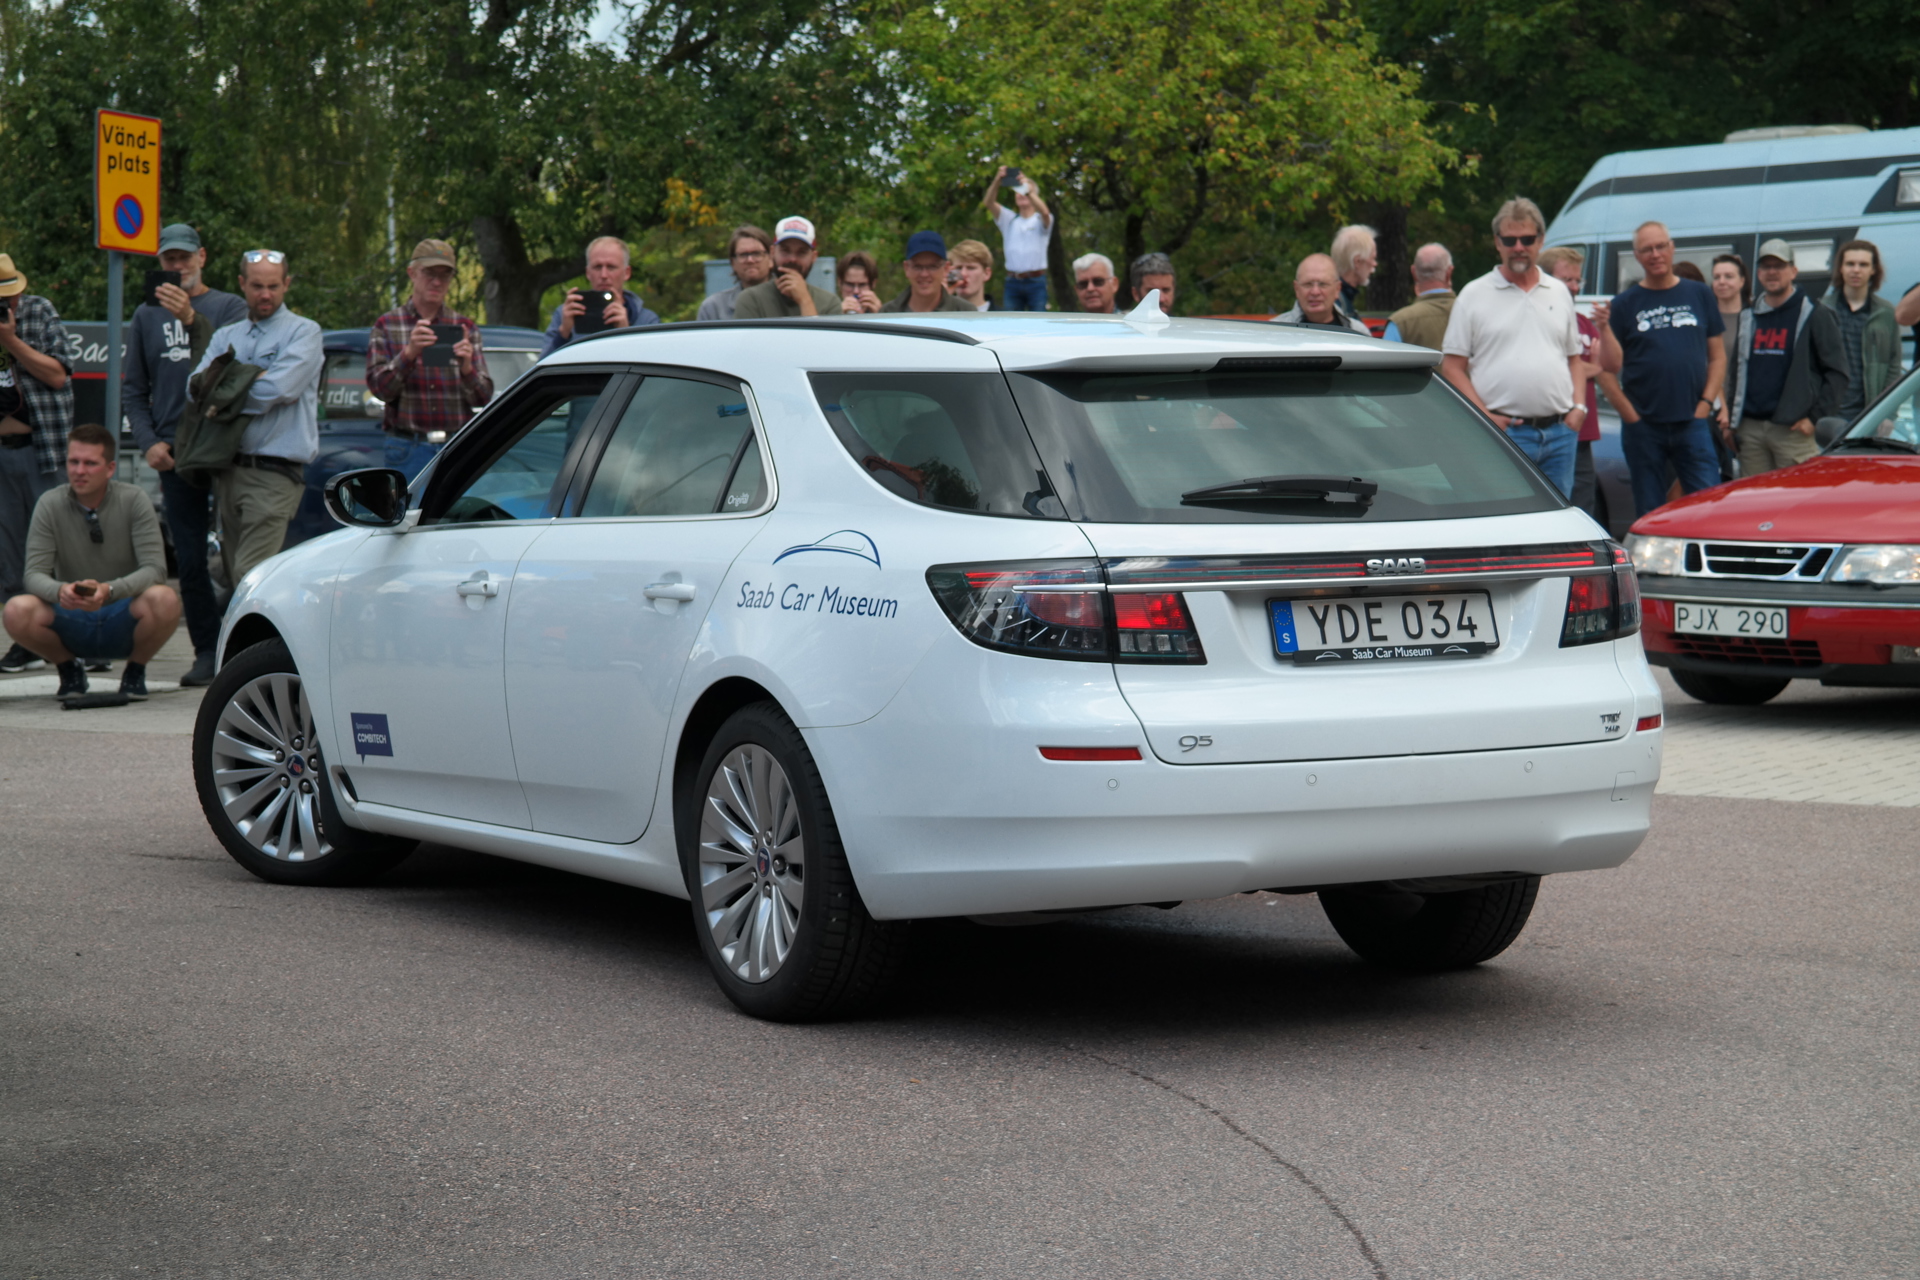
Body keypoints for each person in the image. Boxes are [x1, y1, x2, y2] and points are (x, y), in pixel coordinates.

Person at [120, 223, 247, 687]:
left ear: (202, 258)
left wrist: (191, 317)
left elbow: (233, 368)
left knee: (235, 555)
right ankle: (206, 650)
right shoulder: (145, 315)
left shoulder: (229, 307)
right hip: (174, 451)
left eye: (184, 258)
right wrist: (149, 441)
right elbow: (134, 389)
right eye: (169, 259)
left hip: (224, 445)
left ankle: (242, 645)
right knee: (190, 559)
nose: (177, 267)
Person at [3, 423, 179, 700]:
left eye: (90, 463)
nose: (79, 471)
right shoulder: (49, 503)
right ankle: (68, 669)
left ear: (110, 468)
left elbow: (155, 569)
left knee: (165, 598)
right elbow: (34, 574)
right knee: (16, 609)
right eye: (73, 462)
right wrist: (61, 591)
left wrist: (109, 590)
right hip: (70, 612)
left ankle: (135, 670)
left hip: (122, 612)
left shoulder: (134, 499)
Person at [191, 249, 325, 587]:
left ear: (286, 284)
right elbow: (195, 389)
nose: (265, 294)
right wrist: (253, 377)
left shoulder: (304, 332)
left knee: (252, 577)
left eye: (273, 286)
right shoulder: (226, 336)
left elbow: (279, 389)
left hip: (274, 474)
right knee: (234, 577)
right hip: (228, 470)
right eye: (257, 286)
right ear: (242, 284)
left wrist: (227, 386)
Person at [1438, 197, 1588, 498]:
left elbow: (1574, 359)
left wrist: (1579, 408)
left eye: (1527, 239)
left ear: (1541, 241)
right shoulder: (1473, 294)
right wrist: (1484, 418)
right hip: (1504, 435)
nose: (1519, 246)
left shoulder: (1558, 291)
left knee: (1558, 523)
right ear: (1497, 242)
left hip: (1561, 434)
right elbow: (1452, 366)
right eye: (1510, 240)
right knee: (1504, 517)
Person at [1601, 221, 1726, 515]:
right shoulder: (1623, 304)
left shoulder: (1699, 294)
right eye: (1647, 249)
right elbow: (1604, 370)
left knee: (1709, 506)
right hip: (1644, 428)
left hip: (1692, 422)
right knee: (1650, 512)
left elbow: (1718, 357)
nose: (1655, 254)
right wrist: (1630, 416)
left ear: (1672, 248)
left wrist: (1706, 404)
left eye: (1660, 246)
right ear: (1637, 256)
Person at [0, 252, 76, 675]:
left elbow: (59, 374)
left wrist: (11, 341)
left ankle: (77, 637)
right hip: (2, 455)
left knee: (56, 546)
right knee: (9, 553)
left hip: (42, 450)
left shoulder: (40, 311)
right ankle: (26, 639)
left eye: (9, 296)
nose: (6, 304)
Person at [365, 239, 493, 483]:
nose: (437, 282)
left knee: (459, 509)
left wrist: (467, 369)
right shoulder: (387, 325)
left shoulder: (464, 327)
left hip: (457, 445)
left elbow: (483, 399)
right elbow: (380, 390)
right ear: (412, 273)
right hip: (407, 446)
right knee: (407, 508)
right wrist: (409, 354)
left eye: (445, 275)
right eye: (429, 273)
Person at [1723, 238, 1847, 477]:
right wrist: (1731, 420)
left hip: (1793, 431)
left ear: (1793, 271)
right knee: (1755, 497)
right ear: (1758, 273)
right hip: (1750, 430)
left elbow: (1838, 373)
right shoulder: (1748, 316)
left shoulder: (1815, 314)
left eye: (1779, 266)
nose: (1772, 272)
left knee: (1798, 497)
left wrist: (1814, 419)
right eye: (1766, 266)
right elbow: (1736, 371)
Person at [1539, 246, 1611, 513]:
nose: (1574, 287)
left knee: (1582, 507)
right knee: (1550, 506)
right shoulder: (1538, 319)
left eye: (1577, 280)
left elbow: (1610, 365)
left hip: (1582, 430)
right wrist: (1590, 366)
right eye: (1566, 279)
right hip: (1549, 428)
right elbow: (1556, 368)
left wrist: (1605, 328)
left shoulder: (1583, 322)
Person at [1821, 239, 1903, 419]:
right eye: (1850, 264)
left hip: (1868, 416)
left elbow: (1894, 366)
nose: (1856, 270)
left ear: (1873, 270)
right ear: (1840, 268)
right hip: (1828, 413)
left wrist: (1888, 414)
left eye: (1863, 264)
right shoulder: (1822, 310)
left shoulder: (1886, 313)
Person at [541, 236, 661, 355]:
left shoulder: (647, 321)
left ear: (626, 273)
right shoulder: (566, 315)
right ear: (588, 273)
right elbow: (543, 365)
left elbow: (653, 364)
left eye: (611, 267)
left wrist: (625, 333)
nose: (604, 275)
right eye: (597, 267)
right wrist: (563, 333)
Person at [732, 217, 844, 319]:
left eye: (801, 252)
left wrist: (804, 300)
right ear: (772, 253)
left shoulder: (829, 303)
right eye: (785, 251)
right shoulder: (751, 299)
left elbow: (818, 336)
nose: (792, 259)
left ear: (813, 257)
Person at [983, 166, 1053, 310]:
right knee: (1011, 321)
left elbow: (1045, 212)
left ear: (1034, 196)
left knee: (1039, 321)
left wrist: (1028, 190)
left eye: (1024, 191)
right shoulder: (1009, 219)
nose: (1021, 194)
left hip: (1036, 281)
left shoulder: (1040, 220)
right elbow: (989, 202)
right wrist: (997, 180)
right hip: (1013, 281)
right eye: (1018, 191)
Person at [1708, 253, 1751, 475]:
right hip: (1714, 411)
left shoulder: (1754, 317)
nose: (1722, 282)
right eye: (1717, 277)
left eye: (1729, 276)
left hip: (1747, 411)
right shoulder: (1706, 318)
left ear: (1742, 281)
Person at [1273, 254, 1372, 334]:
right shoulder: (1275, 332)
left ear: (1337, 289)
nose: (1315, 292)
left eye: (1323, 284)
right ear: (1297, 289)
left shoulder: (1358, 332)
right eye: (1308, 284)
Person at [1381, 244, 1455, 348]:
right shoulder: (1470, 312)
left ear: (1413, 272)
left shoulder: (1401, 322)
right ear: (1449, 273)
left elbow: (1386, 357)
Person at [882, 232, 976, 313]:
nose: (924, 274)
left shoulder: (965, 313)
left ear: (946, 269)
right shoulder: (887, 313)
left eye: (933, 267)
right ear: (906, 268)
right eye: (917, 267)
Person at [697, 226, 775, 322]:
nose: (750, 260)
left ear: (771, 257)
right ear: (733, 262)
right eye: (743, 255)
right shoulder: (713, 308)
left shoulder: (788, 300)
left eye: (756, 253)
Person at [1330, 224, 1378, 319]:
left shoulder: (1338, 298)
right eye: (1372, 258)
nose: (1375, 264)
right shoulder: (1336, 303)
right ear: (1357, 262)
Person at [947, 240, 996, 311]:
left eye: (971, 268)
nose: (963, 273)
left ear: (986, 274)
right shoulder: (940, 312)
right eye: (958, 268)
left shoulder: (1004, 316)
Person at [836, 251, 884, 315]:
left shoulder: (887, 310)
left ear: (873, 284)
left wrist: (880, 314)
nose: (856, 291)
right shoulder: (828, 311)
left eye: (862, 285)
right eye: (850, 284)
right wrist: (838, 314)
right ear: (839, 283)